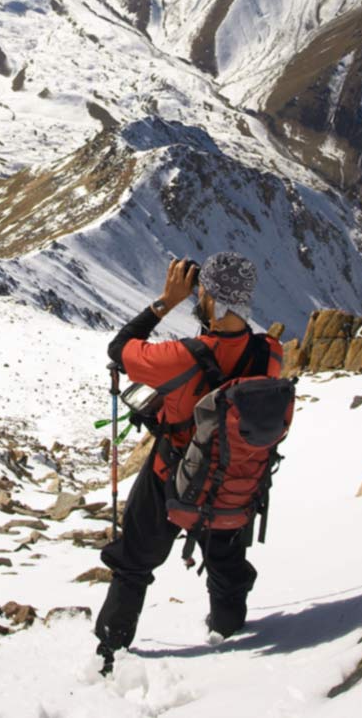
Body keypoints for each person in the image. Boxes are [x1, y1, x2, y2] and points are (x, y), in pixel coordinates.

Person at [94, 252, 283, 671]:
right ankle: (228, 625)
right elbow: (230, 362)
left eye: (202, 292)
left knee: (134, 562)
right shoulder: (270, 353)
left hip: (171, 477)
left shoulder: (179, 357)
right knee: (225, 558)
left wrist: (167, 300)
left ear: (211, 300)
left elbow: (120, 348)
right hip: (237, 481)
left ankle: (111, 650)